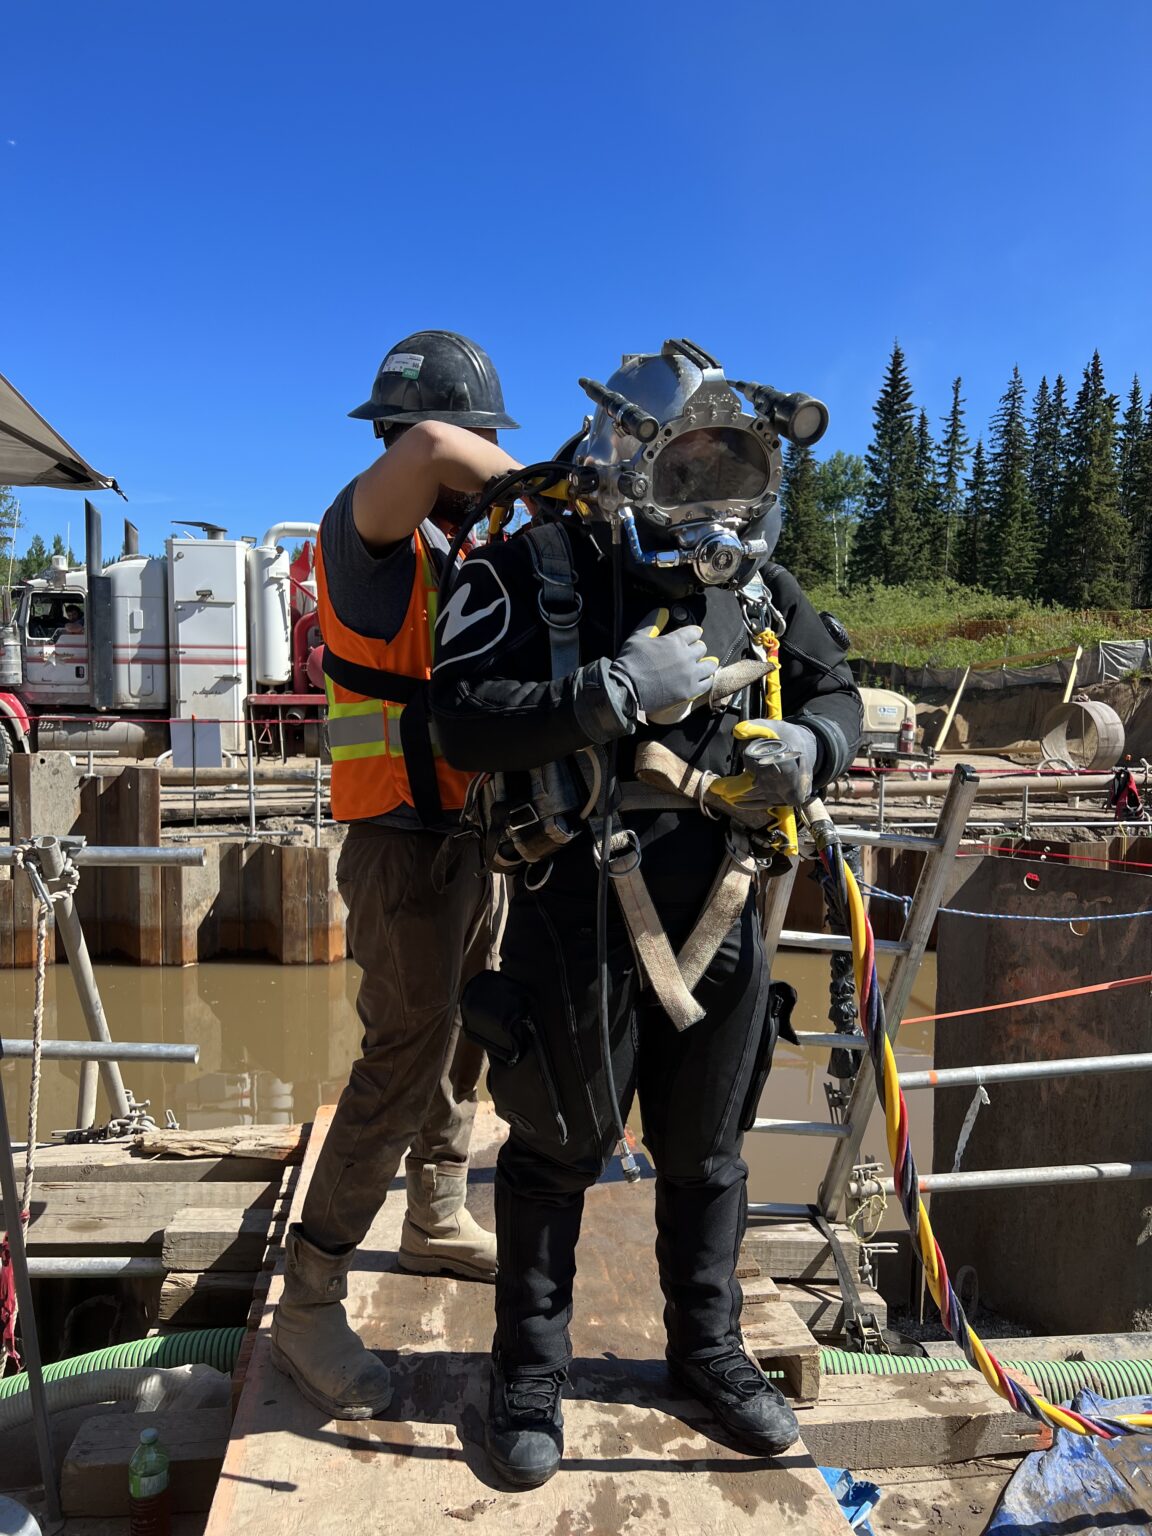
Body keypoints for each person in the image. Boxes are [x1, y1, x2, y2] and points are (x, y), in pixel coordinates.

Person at [431, 339, 863, 1487]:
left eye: (736, 474)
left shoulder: (757, 590)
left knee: (708, 1149)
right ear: (631, 457)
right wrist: (607, 695)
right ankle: (526, 1371)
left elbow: (837, 687)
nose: (712, 503)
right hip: (576, 893)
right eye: (689, 472)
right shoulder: (534, 567)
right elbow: (463, 722)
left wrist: (815, 747)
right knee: (556, 1144)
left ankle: (708, 1352)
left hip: (724, 894)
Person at [270, 331, 525, 1421]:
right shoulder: (367, 531)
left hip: (468, 841)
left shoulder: (446, 557)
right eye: (480, 453)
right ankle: (311, 1298)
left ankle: (433, 1212)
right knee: (405, 1052)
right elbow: (427, 440)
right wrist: (561, 494)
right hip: (400, 847)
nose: (472, 472)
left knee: (464, 1034)